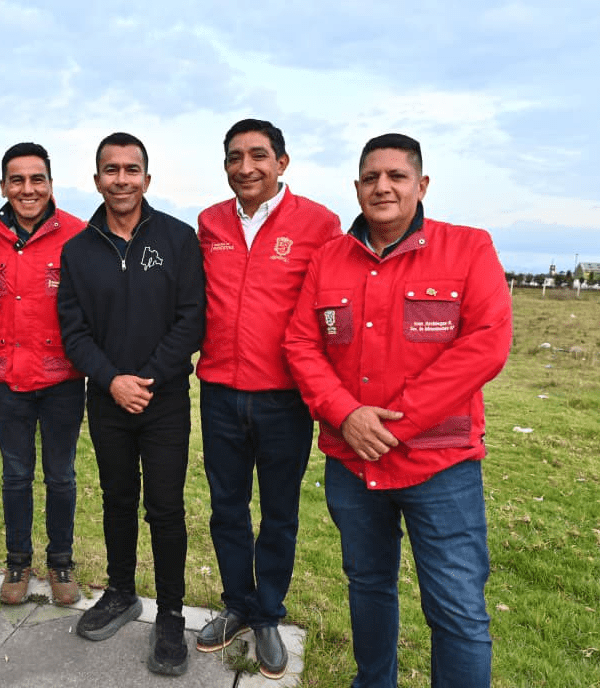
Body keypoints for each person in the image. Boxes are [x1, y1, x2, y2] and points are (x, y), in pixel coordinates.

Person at [284, 133, 512, 688]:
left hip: (441, 466)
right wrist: (345, 414)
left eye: (396, 176)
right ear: (357, 187)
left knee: (456, 607)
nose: (382, 187)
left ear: (421, 185)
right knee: (367, 586)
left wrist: (395, 424)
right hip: (352, 463)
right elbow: (301, 343)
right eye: (371, 178)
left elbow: (486, 343)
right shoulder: (329, 259)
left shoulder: (468, 248)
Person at [194, 118, 341, 678]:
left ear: (282, 162)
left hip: (285, 398)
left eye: (258, 155)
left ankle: (268, 615)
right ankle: (237, 605)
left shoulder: (319, 223)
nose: (246, 167)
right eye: (235, 157)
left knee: (279, 514)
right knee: (227, 507)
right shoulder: (210, 222)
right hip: (219, 391)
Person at [57, 132, 205, 676]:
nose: (121, 179)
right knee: (117, 499)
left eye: (131, 169)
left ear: (147, 177)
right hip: (107, 399)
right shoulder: (78, 250)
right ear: (97, 179)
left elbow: (192, 318)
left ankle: (170, 614)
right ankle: (121, 592)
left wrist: (147, 377)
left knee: (165, 508)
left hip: (164, 400)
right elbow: (73, 331)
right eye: (111, 169)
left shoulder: (177, 238)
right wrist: (112, 379)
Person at [0, 142, 87, 606]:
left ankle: (61, 562)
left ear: (50, 183)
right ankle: (17, 563)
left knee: (60, 476)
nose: (28, 189)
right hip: (7, 378)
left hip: (62, 377)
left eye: (37, 179)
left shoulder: (78, 233)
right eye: (17, 180)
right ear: (4, 186)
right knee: (15, 475)